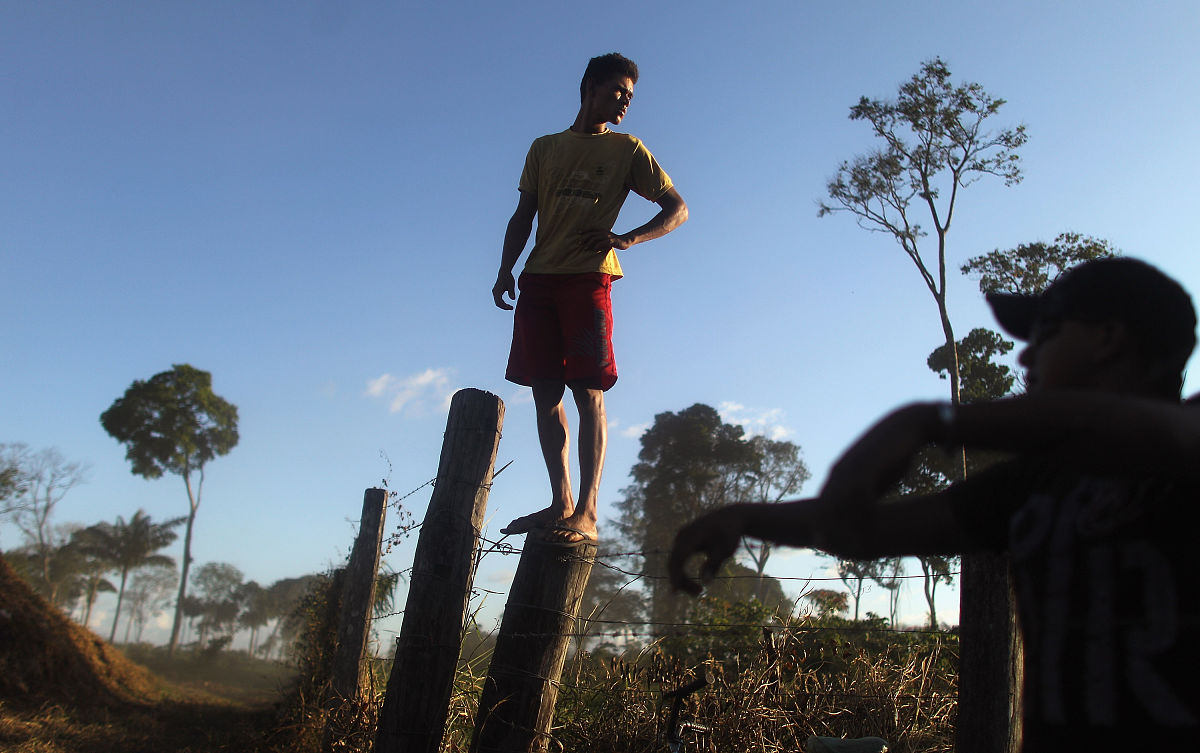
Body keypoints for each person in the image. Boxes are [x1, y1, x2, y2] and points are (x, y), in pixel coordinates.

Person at [668, 257, 1200, 750]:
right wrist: (744, 517)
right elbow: (863, 532)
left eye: (1047, 333)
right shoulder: (1031, 485)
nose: (1026, 354)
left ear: (1109, 338)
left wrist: (930, 422)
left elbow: (1144, 429)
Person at [492, 53, 687, 545]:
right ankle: (559, 503)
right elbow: (523, 215)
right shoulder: (544, 148)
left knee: (588, 391)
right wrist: (504, 270)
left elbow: (677, 208)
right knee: (544, 392)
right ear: (590, 87)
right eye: (618, 90)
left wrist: (629, 238)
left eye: (630, 95)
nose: (625, 100)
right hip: (539, 280)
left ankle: (588, 511)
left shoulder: (628, 150)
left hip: (589, 279)